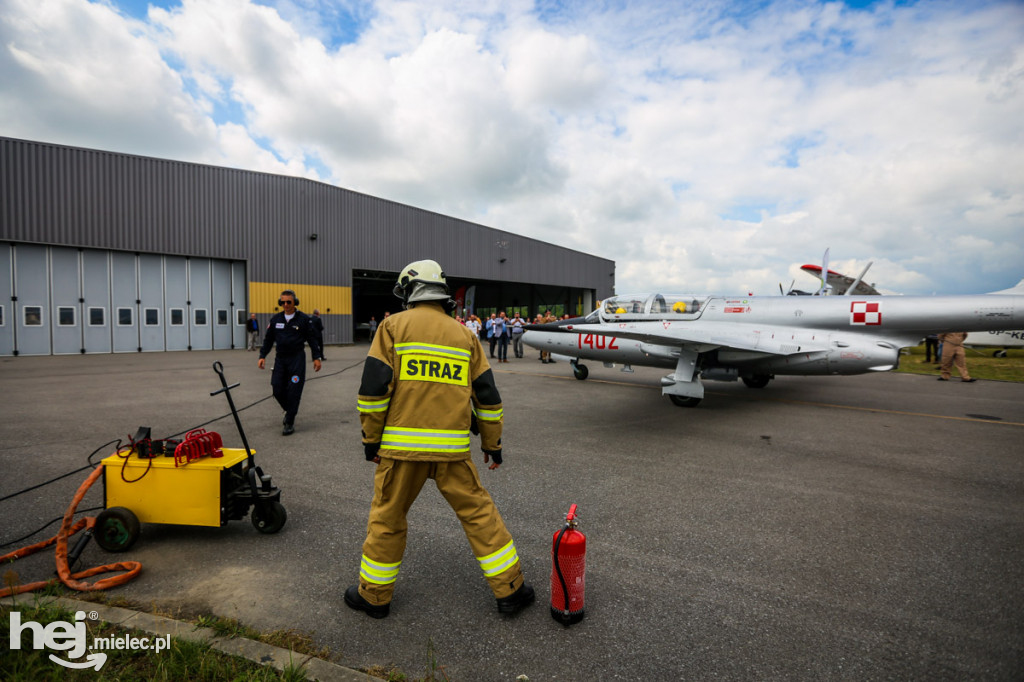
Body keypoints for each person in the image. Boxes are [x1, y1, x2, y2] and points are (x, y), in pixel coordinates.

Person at [347, 259, 533, 619]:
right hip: (452, 453)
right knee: (480, 515)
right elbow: (488, 398)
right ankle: (510, 591)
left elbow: (373, 391)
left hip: (400, 453)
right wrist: (492, 445)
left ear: (412, 290)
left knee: (387, 519)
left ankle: (373, 597)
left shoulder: (391, 327)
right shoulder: (465, 335)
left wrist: (371, 440)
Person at [258, 290, 323, 435]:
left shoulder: (304, 320)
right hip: (280, 359)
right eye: (283, 302)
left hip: (296, 360)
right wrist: (262, 355)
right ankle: (290, 410)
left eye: (289, 302)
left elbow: (312, 340)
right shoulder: (275, 320)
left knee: (294, 389)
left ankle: (289, 421)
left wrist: (316, 357)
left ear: (295, 303)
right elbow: (268, 340)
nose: (285, 305)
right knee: (276, 387)